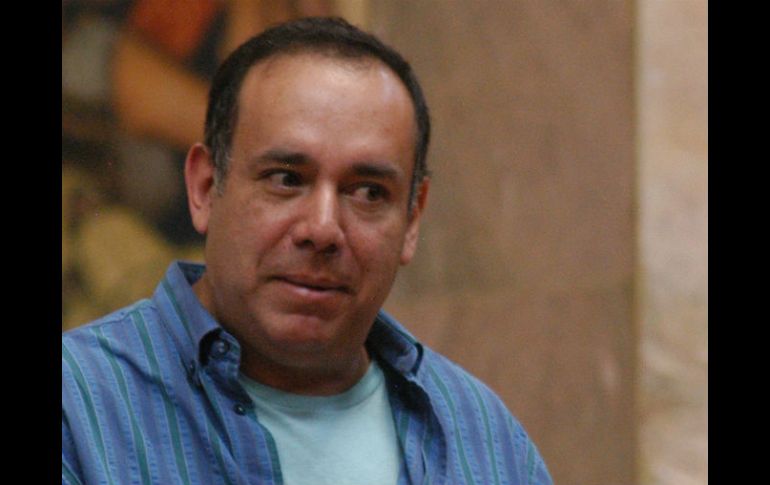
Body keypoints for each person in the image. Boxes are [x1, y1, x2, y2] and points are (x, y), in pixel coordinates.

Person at [62, 17, 553, 485]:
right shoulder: (78, 406)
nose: (322, 229)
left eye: (369, 192)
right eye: (286, 179)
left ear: (411, 219)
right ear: (205, 188)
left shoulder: (486, 441)